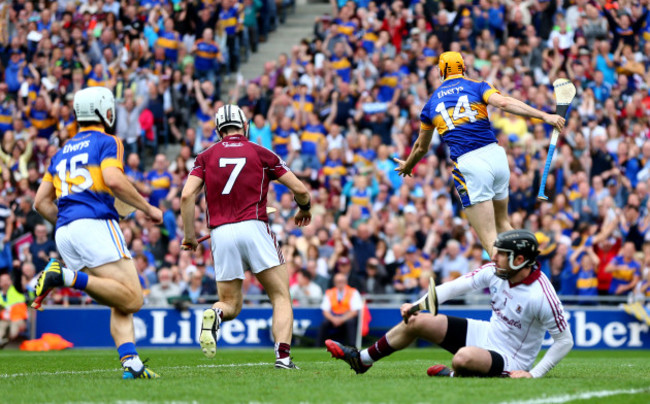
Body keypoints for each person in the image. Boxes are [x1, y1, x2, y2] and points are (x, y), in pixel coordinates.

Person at [33, 87, 163, 379]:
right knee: (134, 298)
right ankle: (63, 276)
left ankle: (131, 363)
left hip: (65, 230)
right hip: (93, 222)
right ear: (106, 110)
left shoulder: (60, 151)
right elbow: (114, 179)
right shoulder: (107, 140)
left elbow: (39, 202)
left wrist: (69, 221)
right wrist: (147, 208)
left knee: (119, 299)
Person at [326, 230, 574, 379]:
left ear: (520, 260)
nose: (493, 257)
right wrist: (417, 304)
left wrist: (533, 374)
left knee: (463, 358)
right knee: (416, 321)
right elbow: (455, 287)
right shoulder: (495, 272)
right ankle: (363, 360)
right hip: (486, 334)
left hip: (510, 359)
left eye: (501, 254)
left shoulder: (541, 295)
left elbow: (565, 341)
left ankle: (457, 374)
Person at [394, 52, 566, 256]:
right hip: (497, 156)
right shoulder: (478, 85)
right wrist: (544, 115)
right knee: (503, 224)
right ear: (463, 68)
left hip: (470, 164)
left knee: (490, 241)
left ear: (441, 73)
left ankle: (509, 284)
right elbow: (503, 103)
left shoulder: (430, 104)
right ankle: (531, 269)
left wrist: (408, 165)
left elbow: (421, 147)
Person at [180, 104, 311, 369]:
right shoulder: (261, 152)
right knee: (280, 296)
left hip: (220, 233)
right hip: (254, 227)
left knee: (230, 303)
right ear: (246, 126)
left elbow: (186, 196)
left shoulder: (204, 157)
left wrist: (190, 236)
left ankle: (215, 313)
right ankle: (283, 358)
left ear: (218, 131)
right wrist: (303, 208)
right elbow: (301, 189)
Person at [317, 273, 363, 347]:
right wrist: (333, 319)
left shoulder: (353, 292)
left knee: (351, 322)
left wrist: (341, 319)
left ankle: (352, 345)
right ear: (334, 283)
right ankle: (319, 345)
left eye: (342, 281)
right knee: (324, 323)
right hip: (334, 317)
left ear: (346, 282)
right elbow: (325, 311)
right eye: (338, 281)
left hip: (347, 317)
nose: (340, 283)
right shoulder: (329, 292)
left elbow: (354, 312)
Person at [0, 273, 28, 347]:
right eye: (3, 281)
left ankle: (5, 341)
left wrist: (17, 269)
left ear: (11, 281)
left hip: (18, 319)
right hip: (4, 320)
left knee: (13, 330)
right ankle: (2, 341)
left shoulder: (17, 290)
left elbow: (18, 278)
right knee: (1, 327)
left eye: (7, 280)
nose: (5, 282)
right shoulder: (0, 295)